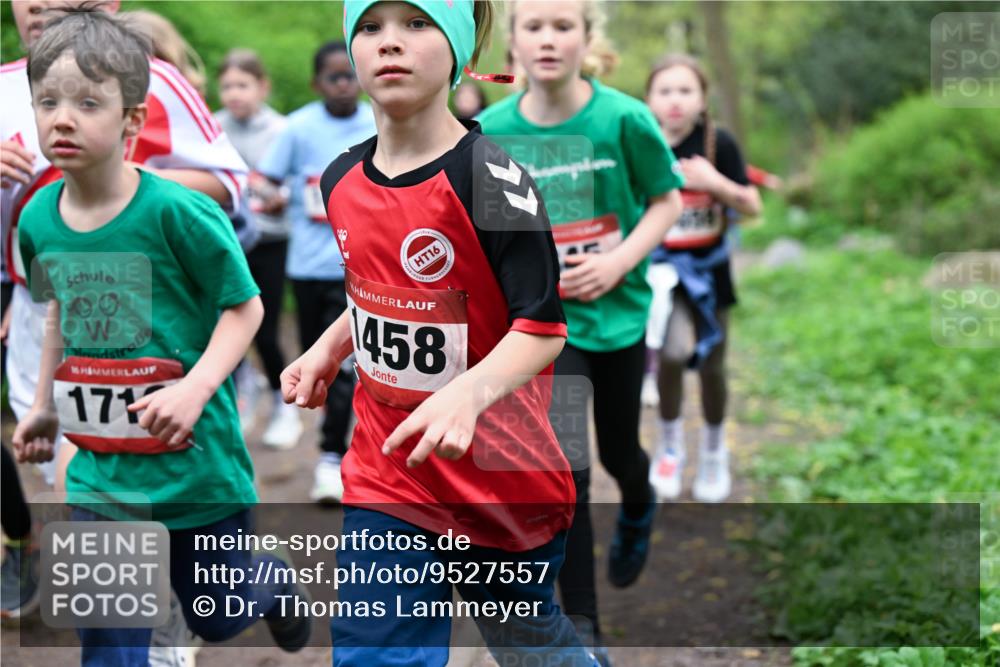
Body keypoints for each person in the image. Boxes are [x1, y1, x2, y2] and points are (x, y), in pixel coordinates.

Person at [281, 1, 596, 664]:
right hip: (388, 469)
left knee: (529, 645)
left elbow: (541, 328)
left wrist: (465, 395)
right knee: (373, 652)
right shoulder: (341, 179)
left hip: (498, 474)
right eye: (370, 27)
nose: (390, 43)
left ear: (457, 50)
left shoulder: (493, 180)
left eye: (417, 23)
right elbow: (375, 290)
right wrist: (327, 348)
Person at [12, 11, 311, 665]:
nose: (63, 119)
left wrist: (195, 389)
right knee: (109, 642)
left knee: (219, 614)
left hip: (194, 469)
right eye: (48, 102)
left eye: (87, 103)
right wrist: (43, 405)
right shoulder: (36, 219)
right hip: (101, 475)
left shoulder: (179, 211)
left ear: (132, 119)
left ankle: (269, 581)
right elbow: (58, 309)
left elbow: (245, 308)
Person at [477, 1, 684, 662]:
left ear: (587, 38)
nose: (548, 39)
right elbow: (485, 234)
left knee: (620, 454)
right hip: (543, 330)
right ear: (513, 42)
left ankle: (641, 499)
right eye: (534, 26)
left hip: (616, 318)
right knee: (570, 471)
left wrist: (620, 261)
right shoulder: (489, 131)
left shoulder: (623, 118)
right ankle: (584, 626)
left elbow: (667, 199)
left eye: (563, 26)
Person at [256, 41, 374, 500]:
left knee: (345, 367)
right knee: (319, 363)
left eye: (349, 75)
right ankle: (335, 442)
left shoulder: (378, 121)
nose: (343, 84)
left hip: (361, 267)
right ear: (316, 82)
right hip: (308, 266)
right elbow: (264, 179)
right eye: (333, 77)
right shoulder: (298, 127)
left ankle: (331, 457)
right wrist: (276, 197)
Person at [644, 54, 762, 503]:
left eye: (685, 90)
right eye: (665, 91)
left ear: (702, 99)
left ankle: (714, 451)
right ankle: (670, 447)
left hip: (710, 271)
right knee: (672, 353)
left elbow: (753, 207)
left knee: (713, 365)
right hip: (661, 272)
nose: (675, 100)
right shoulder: (642, 139)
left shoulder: (718, 143)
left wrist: (714, 182)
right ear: (649, 99)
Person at [214, 49, 299, 444]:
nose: (235, 94)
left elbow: (298, 181)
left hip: (270, 242)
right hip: (227, 242)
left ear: (262, 87)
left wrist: (280, 197)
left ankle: (285, 406)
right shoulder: (213, 127)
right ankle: (241, 396)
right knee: (225, 327)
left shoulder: (283, 129)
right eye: (227, 86)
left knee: (265, 330)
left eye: (243, 85)